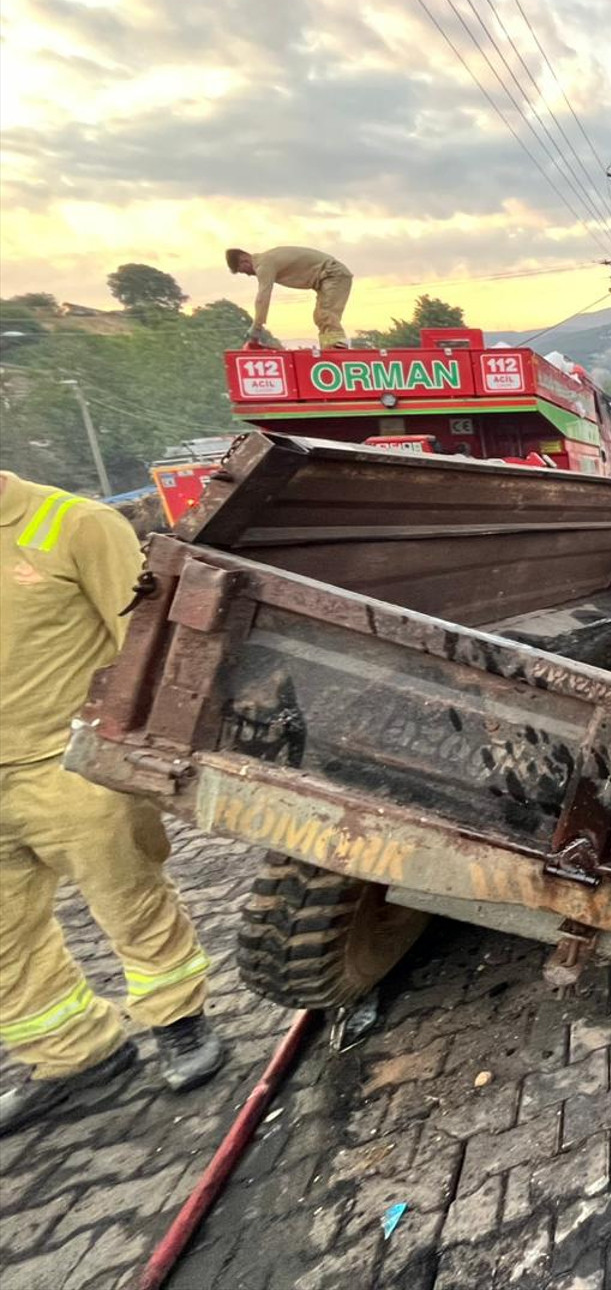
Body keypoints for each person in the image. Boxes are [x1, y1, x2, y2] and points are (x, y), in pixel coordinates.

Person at [0, 472, 226, 1134]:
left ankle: (178, 1020)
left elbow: (149, 644)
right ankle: (73, 1054)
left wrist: (151, 750)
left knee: (128, 899)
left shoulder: (75, 525)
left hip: (68, 761)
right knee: (6, 940)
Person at [225, 246, 353, 350]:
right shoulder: (268, 259)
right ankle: (330, 348)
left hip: (332, 273)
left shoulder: (264, 265)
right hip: (326, 277)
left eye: (244, 271)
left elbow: (262, 297)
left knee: (326, 314)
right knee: (320, 317)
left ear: (244, 259)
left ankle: (339, 348)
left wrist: (256, 327)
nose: (248, 275)